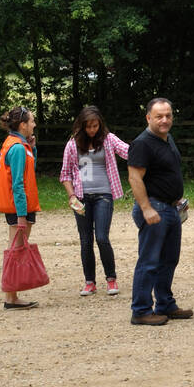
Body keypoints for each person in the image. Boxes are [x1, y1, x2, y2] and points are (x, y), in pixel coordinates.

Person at [126, 98, 191, 326]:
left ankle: (165, 304)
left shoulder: (167, 138)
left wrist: (179, 198)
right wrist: (146, 208)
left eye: (168, 115)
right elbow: (134, 177)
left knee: (169, 260)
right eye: (159, 116)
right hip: (155, 209)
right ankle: (141, 310)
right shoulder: (143, 143)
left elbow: (167, 172)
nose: (165, 120)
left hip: (170, 208)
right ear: (148, 118)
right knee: (149, 261)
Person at [59, 105, 129, 297]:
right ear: (82, 126)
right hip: (81, 197)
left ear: (100, 124)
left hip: (104, 195)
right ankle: (90, 282)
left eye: (95, 126)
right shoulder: (72, 144)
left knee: (101, 237)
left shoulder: (108, 139)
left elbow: (127, 151)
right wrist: (71, 195)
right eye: (88, 126)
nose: (92, 130)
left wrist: (146, 151)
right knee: (85, 240)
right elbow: (65, 174)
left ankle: (111, 278)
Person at [0, 105, 41, 310]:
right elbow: (18, 184)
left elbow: (30, 170)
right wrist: (22, 215)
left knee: (16, 249)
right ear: (23, 125)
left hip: (18, 207)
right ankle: (11, 298)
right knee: (15, 250)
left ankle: (12, 296)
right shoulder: (18, 148)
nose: (34, 124)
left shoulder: (17, 144)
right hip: (19, 208)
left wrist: (33, 147)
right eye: (31, 121)